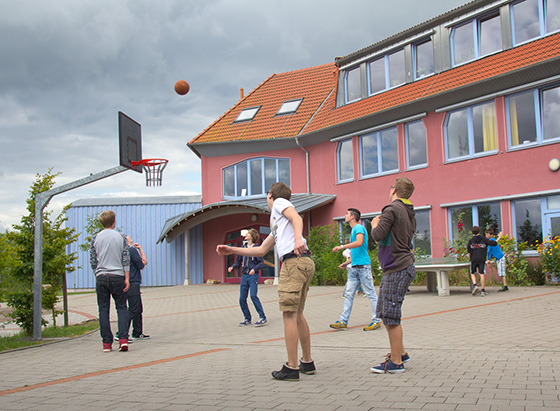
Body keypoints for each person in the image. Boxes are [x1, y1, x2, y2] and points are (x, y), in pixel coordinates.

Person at [216, 182, 315, 382]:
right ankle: (307, 362)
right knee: (297, 314)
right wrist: (233, 250)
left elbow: (296, 217)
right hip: (305, 262)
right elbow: (261, 250)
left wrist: (297, 239)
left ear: (270, 195)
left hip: (293, 262)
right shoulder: (278, 224)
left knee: (289, 315)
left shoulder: (279, 202)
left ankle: (291, 367)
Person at [370, 178, 417, 374]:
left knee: (390, 316)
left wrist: (374, 224)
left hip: (396, 267)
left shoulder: (391, 210)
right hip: (401, 266)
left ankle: (396, 362)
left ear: (394, 190)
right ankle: (401, 352)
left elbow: (378, 235)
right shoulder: (409, 211)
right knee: (386, 312)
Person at [331, 208, 381, 332]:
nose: (345, 215)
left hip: (363, 268)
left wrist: (341, 246)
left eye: (347, 214)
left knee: (371, 294)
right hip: (354, 268)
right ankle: (343, 321)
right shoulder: (354, 229)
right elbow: (357, 251)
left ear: (353, 217)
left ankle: (376, 321)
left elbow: (359, 243)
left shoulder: (358, 228)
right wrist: (347, 262)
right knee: (348, 294)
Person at [90, 211, 130, 352]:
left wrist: (97, 275)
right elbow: (125, 258)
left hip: (101, 276)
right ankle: (123, 339)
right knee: (121, 307)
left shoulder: (95, 238)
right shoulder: (120, 237)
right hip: (118, 275)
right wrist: (126, 278)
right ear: (114, 222)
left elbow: (93, 260)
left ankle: (106, 343)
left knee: (103, 309)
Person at [229, 228, 267, 327]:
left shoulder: (257, 248)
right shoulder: (243, 247)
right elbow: (238, 261)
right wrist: (232, 267)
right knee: (242, 299)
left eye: (248, 233)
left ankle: (262, 317)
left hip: (253, 276)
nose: (246, 235)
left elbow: (261, 263)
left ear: (252, 236)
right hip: (244, 276)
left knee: (253, 296)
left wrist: (254, 269)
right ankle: (247, 318)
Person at [125, 235, 150, 339]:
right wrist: (138, 250)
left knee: (138, 308)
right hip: (133, 282)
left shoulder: (128, 251)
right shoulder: (131, 251)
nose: (130, 237)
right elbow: (142, 265)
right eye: (128, 237)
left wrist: (140, 248)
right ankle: (121, 332)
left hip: (131, 282)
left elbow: (144, 262)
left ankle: (137, 332)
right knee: (134, 308)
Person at [467, 226, 501, 296]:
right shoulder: (483, 239)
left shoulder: (471, 241)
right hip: (482, 258)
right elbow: (493, 243)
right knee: (481, 273)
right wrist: (499, 237)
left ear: (473, 232)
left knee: (472, 272)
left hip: (474, 258)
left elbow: (469, 251)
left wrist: (470, 257)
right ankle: (483, 290)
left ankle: (475, 285)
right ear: (479, 231)